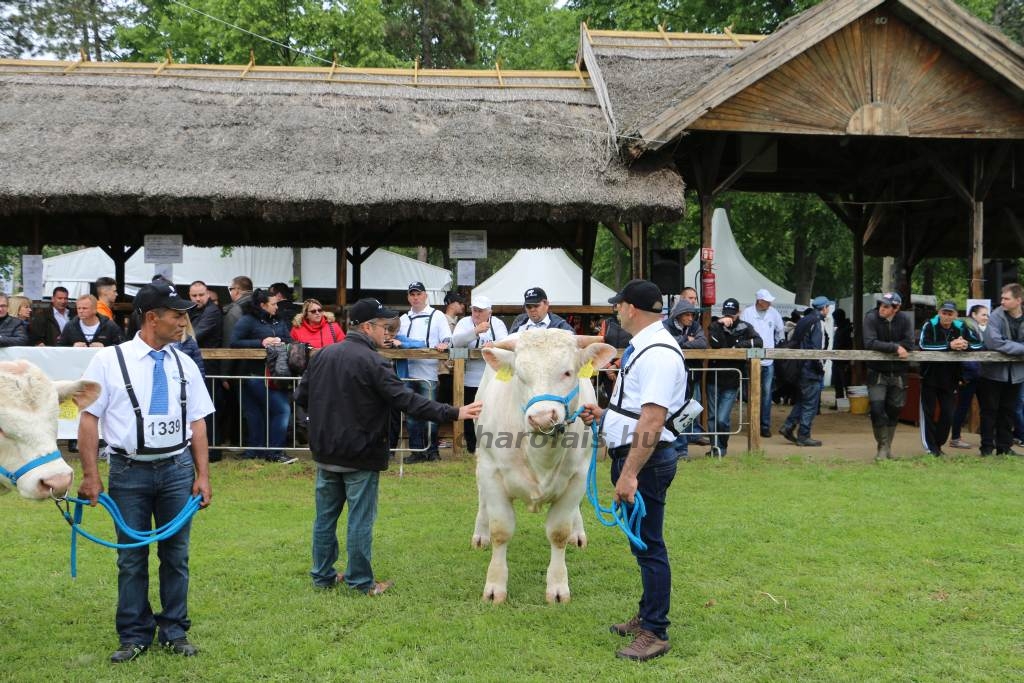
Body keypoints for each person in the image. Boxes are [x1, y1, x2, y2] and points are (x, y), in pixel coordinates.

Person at [295, 298, 482, 594]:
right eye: (384, 326)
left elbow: (302, 396)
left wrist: (318, 425)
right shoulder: (374, 362)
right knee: (359, 520)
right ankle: (359, 581)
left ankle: (322, 575)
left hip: (326, 451)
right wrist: (454, 412)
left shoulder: (323, 356)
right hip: (360, 453)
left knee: (325, 518)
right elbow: (406, 400)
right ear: (367, 327)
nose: (388, 332)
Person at [76, 281, 213, 663]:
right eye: (176, 315)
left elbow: (198, 422)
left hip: (176, 469)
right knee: (131, 556)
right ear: (152, 318)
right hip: (128, 471)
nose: (183, 322)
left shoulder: (184, 362)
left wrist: (203, 475)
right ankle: (134, 635)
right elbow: (88, 420)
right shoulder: (108, 361)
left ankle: (174, 629)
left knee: (176, 555)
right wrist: (90, 474)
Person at [578, 279, 686, 662]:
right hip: (637, 455)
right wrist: (605, 416)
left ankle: (655, 630)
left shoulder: (657, 353)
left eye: (619, 306)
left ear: (631, 309)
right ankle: (647, 615)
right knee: (641, 542)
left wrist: (629, 474)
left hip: (645, 461)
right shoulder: (646, 346)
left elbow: (653, 420)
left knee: (649, 544)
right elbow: (638, 410)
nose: (616, 311)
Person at [230, 288, 296, 464]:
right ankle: (273, 452)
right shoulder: (247, 321)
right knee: (279, 410)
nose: (277, 307)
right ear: (263, 305)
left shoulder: (279, 321)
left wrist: (282, 342)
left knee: (260, 413)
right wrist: (261, 342)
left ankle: (257, 451)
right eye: (273, 304)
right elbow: (234, 342)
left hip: (274, 374)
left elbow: (289, 339)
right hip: (253, 375)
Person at [395, 282, 452, 463]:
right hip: (408, 372)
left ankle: (432, 451)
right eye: (412, 294)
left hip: (428, 372)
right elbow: (397, 339)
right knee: (411, 415)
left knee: (430, 414)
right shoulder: (403, 319)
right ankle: (417, 451)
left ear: (425, 295)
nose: (415, 297)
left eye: (418, 294)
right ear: (408, 297)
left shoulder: (437, 316)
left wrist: (444, 344)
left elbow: (447, 338)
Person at [918, 301, 981, 455]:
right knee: (929, 413)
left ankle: (937, 444)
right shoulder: (929, 325)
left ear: (955, 315)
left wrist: (966, 345)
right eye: (944, 313)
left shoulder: (961, 326)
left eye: (950, 313)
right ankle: (930, 448)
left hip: (951, 378)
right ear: (939, 313)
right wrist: (949, 345)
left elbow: (979, 343)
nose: (946, 316)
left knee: (948, 414)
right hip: (930, 377)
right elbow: (923, 345)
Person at [451, 294, 508, 454]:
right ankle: (471, 447)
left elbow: (505, 341)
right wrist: (474, 331)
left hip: (493, 379)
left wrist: (495, 344)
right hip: (469, 378)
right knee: (470, 414)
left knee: (492, 413)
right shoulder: (464, 323)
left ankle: (490, 447)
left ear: (489, 312)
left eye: (480, 311)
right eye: (474, 310)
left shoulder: (497, 324)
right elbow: (455, 342)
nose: (476, 314)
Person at [707, 297, 762, 456]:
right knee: (712, 417)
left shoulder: (745, 327)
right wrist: (720, 324)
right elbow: (715, 342)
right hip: (713, 378)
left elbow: (758, 342)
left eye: (732, 314)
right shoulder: (715, 325)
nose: (729, 316)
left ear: (739, 312)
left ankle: (722, 447)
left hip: (732, 380)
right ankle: (715, 449)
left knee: (722, 418)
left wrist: (737, 346)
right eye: (727, 313)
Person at [862, 292, 915, 460]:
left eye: (886, 306)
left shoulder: (904, 320)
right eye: (881, 305)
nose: (882, 309)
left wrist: (895, 347)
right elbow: (869, 342)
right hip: (877, 371)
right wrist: (895, 348)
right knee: (877, 409)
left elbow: (909, 343)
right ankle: (882, 447)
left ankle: (887, 447)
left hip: (899, 372)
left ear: (896, 308)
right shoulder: (870, 317)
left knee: (895, 409)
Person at [780, 296, 833, 448]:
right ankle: (804, 435)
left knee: (803, 400)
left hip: (799, 366)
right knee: (810, 404)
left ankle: (788, 426)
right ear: (823, 308)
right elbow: (816, 350)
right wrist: (821, 367)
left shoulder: (804, 320)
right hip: (810, 369)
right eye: (827, 307)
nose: (828, 309)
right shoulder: (818, 323)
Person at [978, 283, 1024, 456]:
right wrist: (1020, 348)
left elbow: (1003, 344)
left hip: (1017, 375)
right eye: (1002, 297)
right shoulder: (996, 316)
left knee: (1008, 412)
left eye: (1006, 298)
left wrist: (1008, 345)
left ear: (1018, 300)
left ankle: (1004, 448)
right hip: (993, 374)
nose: (1002, 301)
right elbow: (994, 342)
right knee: (989, 411)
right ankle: (987, 448)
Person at [663, 298, 707, 457]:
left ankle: (681, 450)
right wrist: (685, 339)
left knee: (686, 411)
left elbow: (702, 343)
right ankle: (669, 447)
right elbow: (666, 341)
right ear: (678, 315)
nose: (691, 318)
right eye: (687, 314)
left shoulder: (695, 326)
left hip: (690, 375)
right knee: (670, 410)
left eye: (692, 315)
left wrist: (681, 342)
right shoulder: (665, 325)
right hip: (669, 375)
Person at [741, 289, 786, 438]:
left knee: (766, 393)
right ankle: (753, 423)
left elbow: (780, 330)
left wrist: (776, 346)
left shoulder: (773, 313)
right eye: (766, 301)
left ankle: (765, 425)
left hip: (768, 359)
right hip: (752, 359)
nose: (769, 303)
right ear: (759, 300)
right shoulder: (747, 313)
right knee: (752, 393)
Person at [950, 304, 989, 448]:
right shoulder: (966, 328)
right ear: (973, 315)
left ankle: (987, 439)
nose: (986, 317)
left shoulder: (984, 330)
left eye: (987, 315)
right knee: (962, 406)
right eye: (983, 314)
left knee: (986, 407)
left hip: (982, 374)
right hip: (969, 373)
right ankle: (955, 437)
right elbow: (975, 347)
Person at [57, 294, 124, 347]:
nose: (81, 311)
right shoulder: (70, 326)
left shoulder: (110, 326)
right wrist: (73, 347)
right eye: (79, 308)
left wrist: (105, 347)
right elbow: (59, 348)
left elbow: (122, 347)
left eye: (85, 308)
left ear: (94, 310)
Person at [508, 287, 574, 333]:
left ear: (546, 304)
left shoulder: (560, 325)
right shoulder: (519, 322)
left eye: (536, 306)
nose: (532, 310)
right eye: (528, 307)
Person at [187, 280, 223, 348]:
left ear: (208, 294)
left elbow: (196, 335)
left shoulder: (212, 311)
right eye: (194, 295)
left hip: (208, 355)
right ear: (189, 295)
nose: (198, 299)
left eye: (201, 295)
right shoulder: (191, 309)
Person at [831, 308, 854, 401]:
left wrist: (848, 361)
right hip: (837, 360)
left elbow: (850, 345)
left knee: (846, 384)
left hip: (844, 361)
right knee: (838, 384)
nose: (835, 320)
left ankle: (849, 402)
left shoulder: (848, 328)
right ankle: (840, 403)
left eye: (835, 318)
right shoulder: (840, 328)